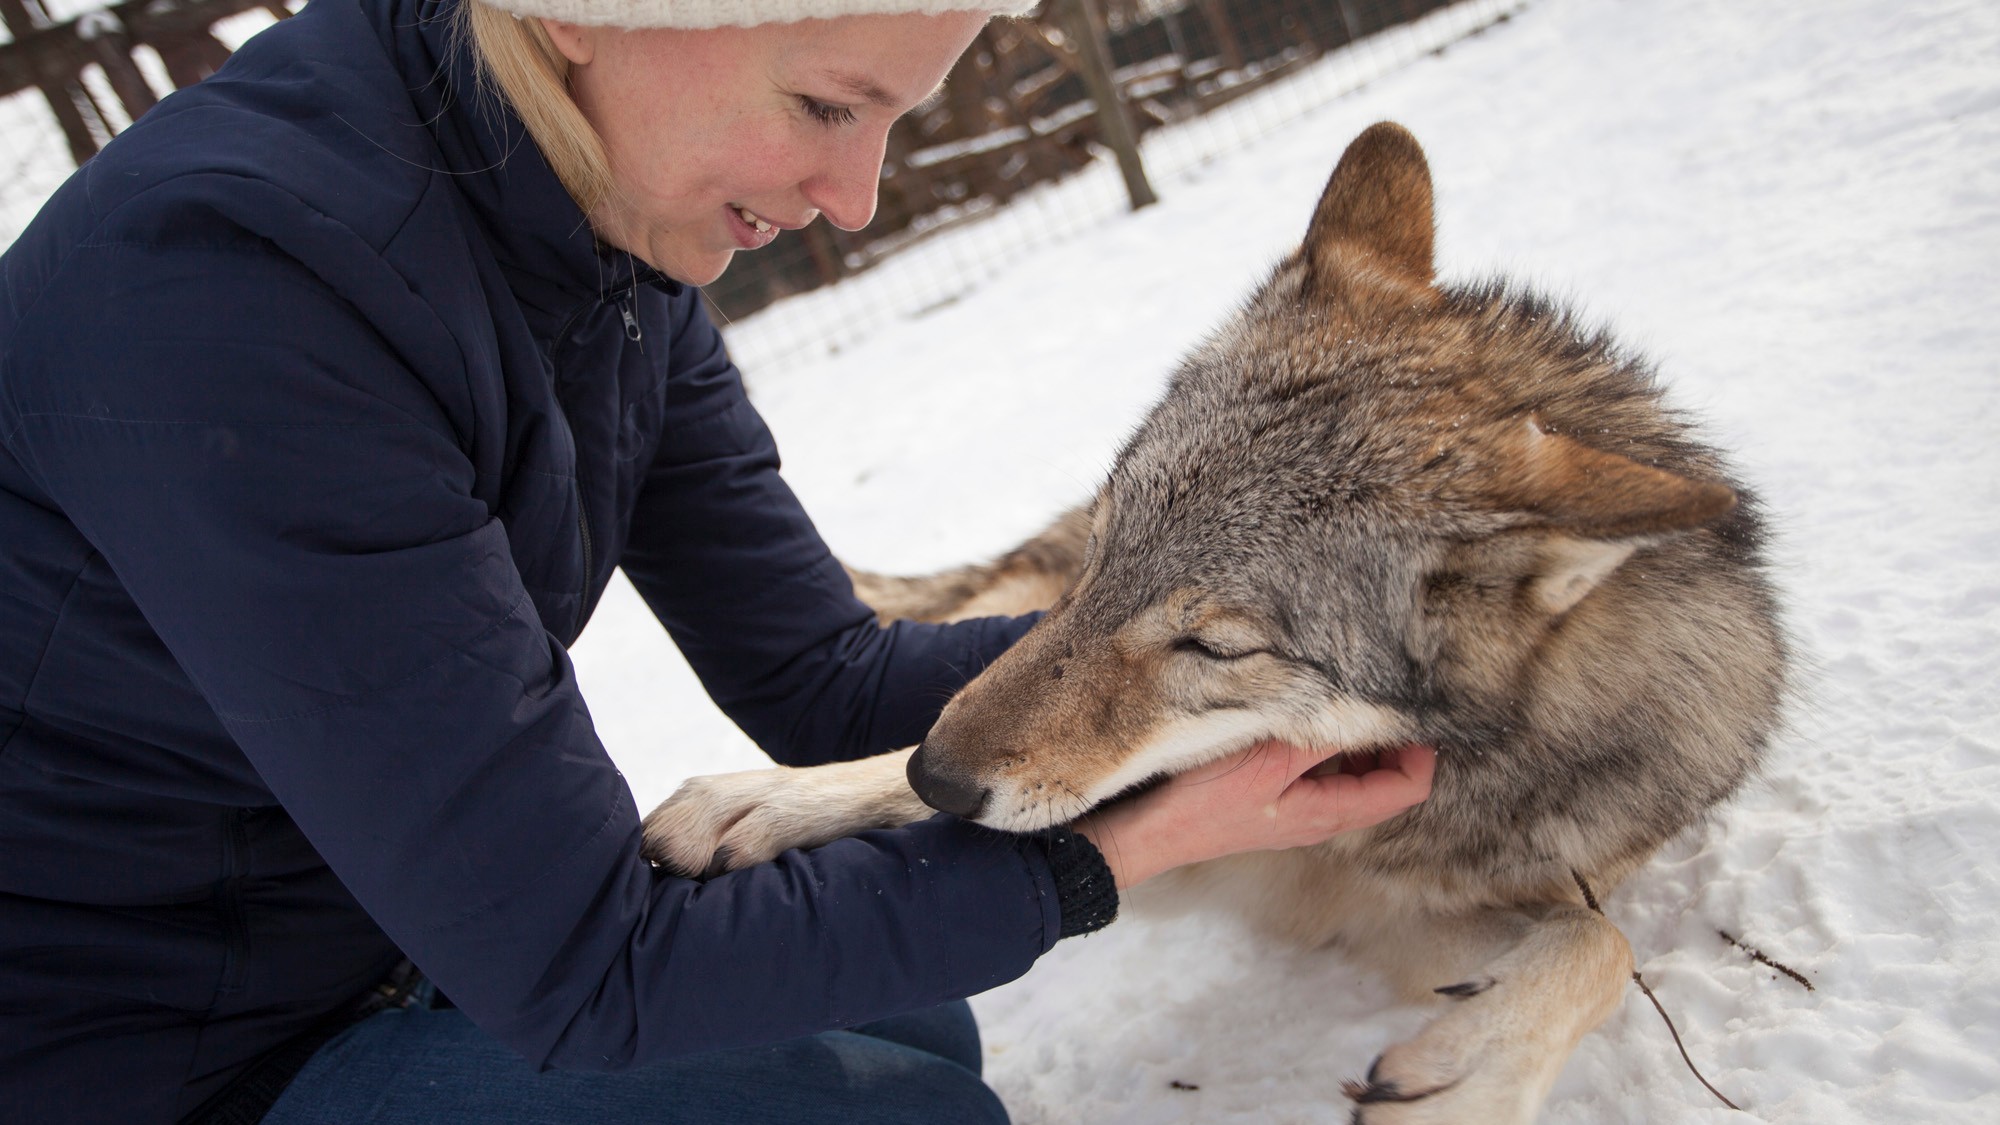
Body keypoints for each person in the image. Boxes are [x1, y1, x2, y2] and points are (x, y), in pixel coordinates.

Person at [0, 0, 1437, 1120]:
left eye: (893, 121)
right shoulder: (244, 293)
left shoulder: (592, 210)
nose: (856, 194)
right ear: (585, 13)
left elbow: (824, 675)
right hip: (141, 1058)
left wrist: (1173, 657)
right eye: (825, 103)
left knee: (914, 1016)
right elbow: (590, 966)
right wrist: (1114, 849)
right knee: (905, 1111)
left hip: (379, 924)